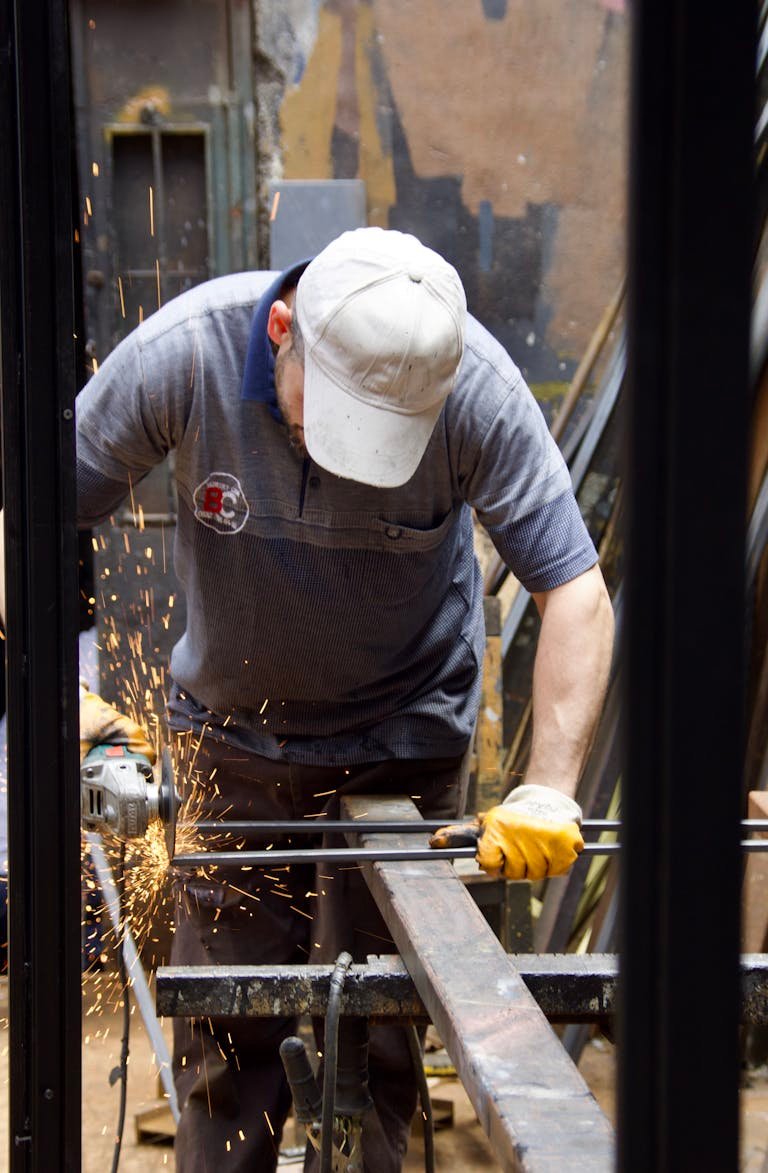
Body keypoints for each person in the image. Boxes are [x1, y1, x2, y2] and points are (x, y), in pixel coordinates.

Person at [76, 227, 614, 1171]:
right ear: (281, 329)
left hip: (403, 738)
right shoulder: (187, 354)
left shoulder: (473, 389)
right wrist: (65, 708)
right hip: (233, 739)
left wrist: (550, 787)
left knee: (384, 1030)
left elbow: (575, 591)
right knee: (230, 1039)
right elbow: (35, 518)